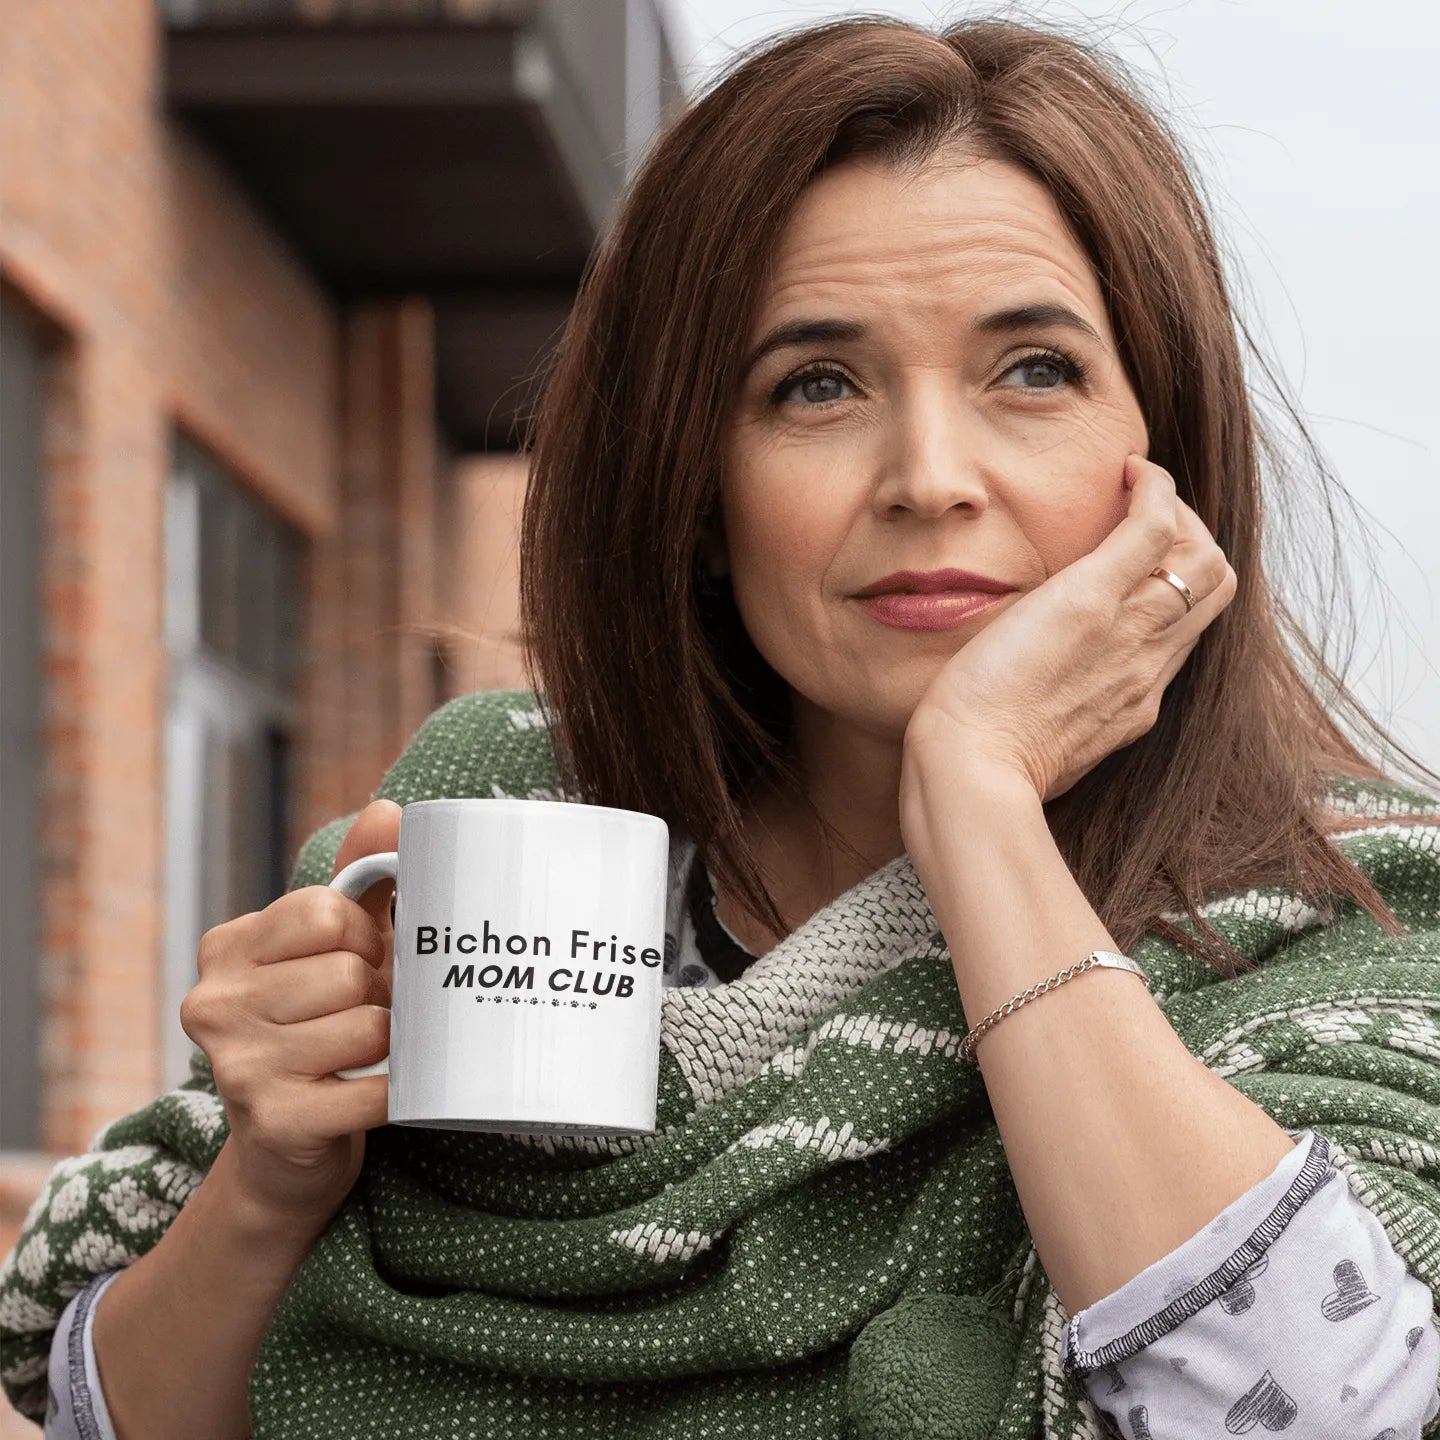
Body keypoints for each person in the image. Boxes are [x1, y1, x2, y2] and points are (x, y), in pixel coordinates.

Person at [4, 12, 1440, 1439]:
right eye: (816, 385)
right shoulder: (494, 824)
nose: (930, 476)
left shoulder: (1346, 925)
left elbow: (1326, 1410)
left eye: (1033, 371)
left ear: (1165, 457)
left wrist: (979, 802)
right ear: (698, 498)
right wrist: (271, 1181)